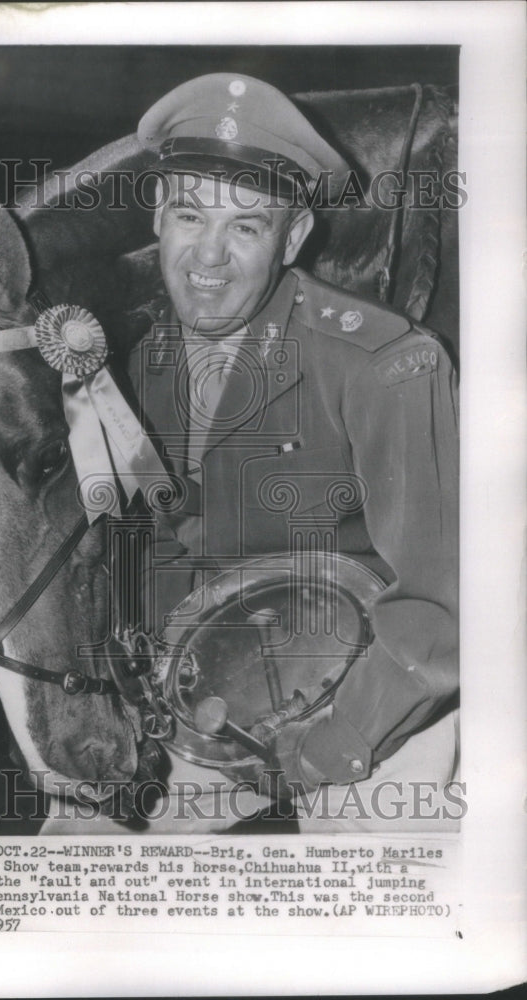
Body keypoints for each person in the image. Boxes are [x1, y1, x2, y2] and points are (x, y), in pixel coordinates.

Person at [121, 73, 460, 831]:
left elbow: (443, 599)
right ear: (158, 220)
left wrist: (334, 745)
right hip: (237, 717)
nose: (208, 255)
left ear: (293, 237)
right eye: (188, 215)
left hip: (386, 721)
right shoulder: (146, 361)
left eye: (246, 226)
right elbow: (170, 548)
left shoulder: (383, 363)